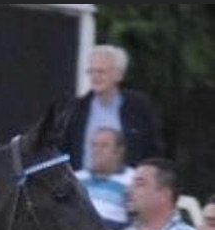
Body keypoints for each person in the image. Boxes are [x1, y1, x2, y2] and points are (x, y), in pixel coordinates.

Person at [63, 44, 163, 172]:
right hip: (82, 181)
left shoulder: (139, 106)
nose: (95, 77)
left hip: (128, 182)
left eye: (101, 72)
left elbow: (154, 149)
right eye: (91, 72)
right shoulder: (75, 109)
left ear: (119, 75)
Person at [76, 126, 135, 230]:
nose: (96, 150)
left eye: (104, 146)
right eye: (94, 145)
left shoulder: (133, 179)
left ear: (119, 151)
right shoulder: (77, 178)